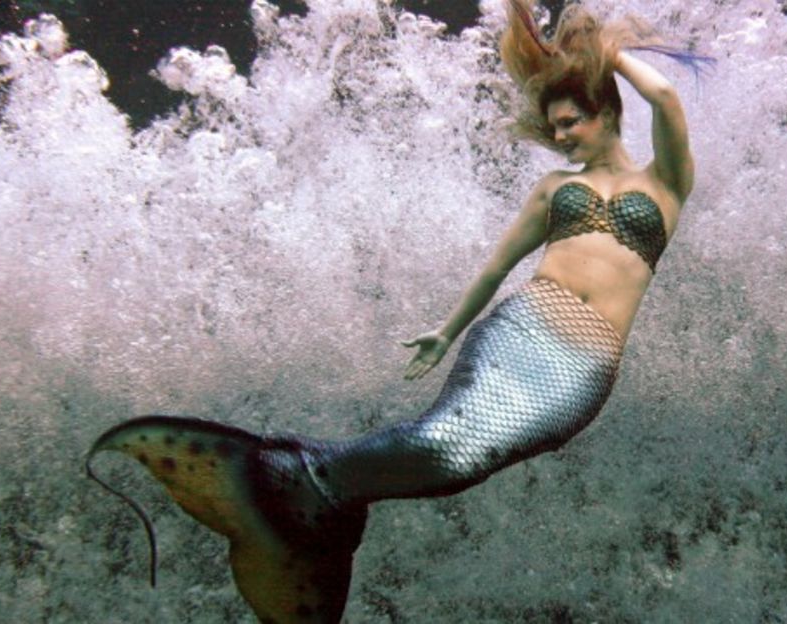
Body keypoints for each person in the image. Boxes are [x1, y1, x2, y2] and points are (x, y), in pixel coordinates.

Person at [86, 2, 705, 622]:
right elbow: (496, 267)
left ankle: (302, 490)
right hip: (521, 331)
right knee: (444, 444)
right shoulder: (552, 189)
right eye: (556, 128)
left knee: (463, 462)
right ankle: (299, 481)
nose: (563, 137)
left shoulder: (665, 185)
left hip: (583, 370)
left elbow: (668, 98)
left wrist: (607, 53)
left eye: (571, 123)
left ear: (606, 114)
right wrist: (445, 332)